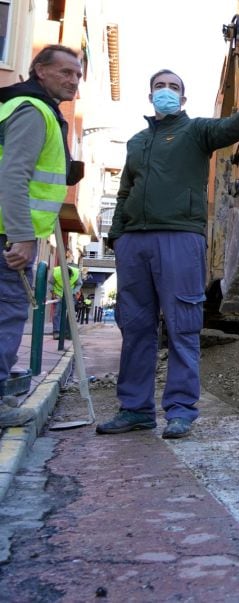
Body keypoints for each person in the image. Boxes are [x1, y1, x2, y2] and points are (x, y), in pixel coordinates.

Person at [98, 69, 239, 439]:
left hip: (180, 238)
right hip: (135, 242)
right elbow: (123, 192)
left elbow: (228, 129)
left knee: (183, 326)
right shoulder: (136, 143)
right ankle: (135, 409)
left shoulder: (196, 131)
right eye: (159, 86)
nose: (166, 91)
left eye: (174, 87)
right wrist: (117, 236)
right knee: (135, 328)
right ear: (150, 95)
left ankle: (181, 410)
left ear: (183, 99)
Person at [0, 45, 83, 427]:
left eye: (77, 75)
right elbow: (14, 176)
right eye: (64, 72)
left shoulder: (24, 107)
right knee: (6, 315)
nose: (72, 80)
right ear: (39, 70)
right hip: (8, 236)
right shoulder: (34, 111)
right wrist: (21, 235)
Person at [50, 252, 81, 338]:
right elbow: (50, 283)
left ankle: (67, 332)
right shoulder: (56, 272)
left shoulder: (76, 273)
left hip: (70, 294)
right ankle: (57, 332)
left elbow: (79, 284)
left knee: (70, 313)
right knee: (57, 313)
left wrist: (74, 292)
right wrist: (53, 293)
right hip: (58, 294)